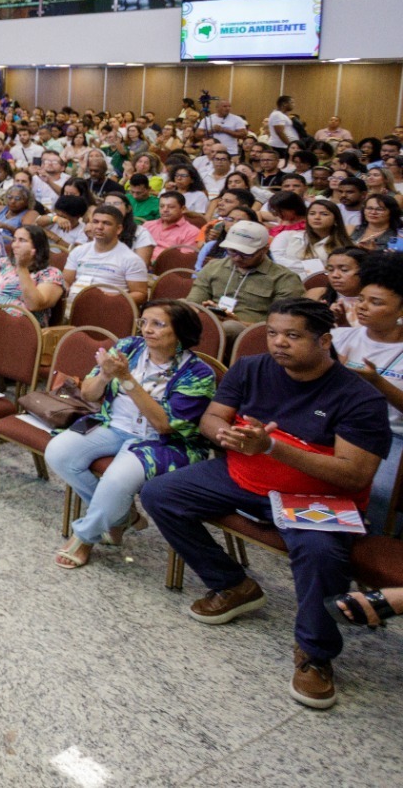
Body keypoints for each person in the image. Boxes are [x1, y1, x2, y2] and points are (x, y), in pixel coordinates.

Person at [142, 300, 391, 709]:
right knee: (160, 494)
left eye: (292, 336)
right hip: (243, 476)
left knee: (320, 552)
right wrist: (225, 435)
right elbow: (211, 417)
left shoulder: (358, 396)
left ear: (324, 340)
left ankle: (315, 653)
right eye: (273, 333)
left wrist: (273, 447)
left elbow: (353, 474)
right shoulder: (251, 367)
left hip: (316, 496)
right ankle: (232, 583)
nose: (278, 343)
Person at [46, 301, 216, 568]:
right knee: (58, 451)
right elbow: (89, 394)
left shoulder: (198, 374)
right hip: (113, 424)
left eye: (158, 324)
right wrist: (104, 375)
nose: (147, 330)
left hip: (162, 441)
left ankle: (84, 537)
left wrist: (126, 378)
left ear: (181, 331)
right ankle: (122, 516)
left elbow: (164, 425)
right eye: (144, 322)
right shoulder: (127, 347)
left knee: (116, 480)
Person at [331, 251, 403, 535]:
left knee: (378, 491)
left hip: (393, 434)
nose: (362, 307)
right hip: (338, 422)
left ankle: (374, 545)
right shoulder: (340, 336)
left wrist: (377, 383)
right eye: (361, 299)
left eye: (376, 303)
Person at [186, 220, 304, 340]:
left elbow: (284, 325)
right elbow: (193, 302)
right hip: (211, 322)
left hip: (252, 334)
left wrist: (241, 323)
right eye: (232, 251)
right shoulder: (214, 267)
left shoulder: (284, 278)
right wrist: (205, 312)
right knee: (175, 310)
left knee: (229, 327)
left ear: (264, 249)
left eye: (246, 254)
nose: (237, 258)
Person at [0, 225, 65, 326]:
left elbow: (34, 304)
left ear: (37, 246)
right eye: (14, 240)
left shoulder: (51, 273)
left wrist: (22, 268)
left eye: (22, 240)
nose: (15, 245)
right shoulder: (3, 263)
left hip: (18, 326)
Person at [63, 203, 150, 304]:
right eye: (95, 222)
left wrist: (114, 299)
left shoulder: (131, 259)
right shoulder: (78, 251)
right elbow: (66, 281)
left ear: (119, 229)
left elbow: (141, 294)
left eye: (106, 223)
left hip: (108, 309)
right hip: (73, 305)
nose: (99, 227)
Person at [271, 198, 352, 279]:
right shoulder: (286, 236)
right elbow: (276, 260)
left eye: (324, 214)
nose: (317, 217)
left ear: (336, 219)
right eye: (312, 213)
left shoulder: (343, 246)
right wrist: (315, 266)